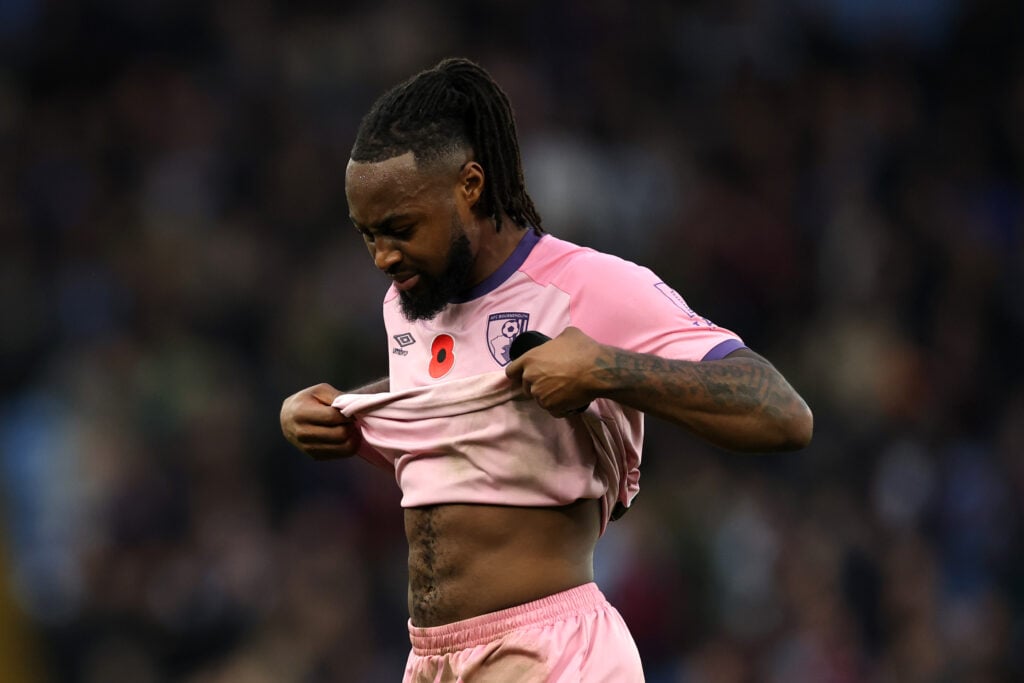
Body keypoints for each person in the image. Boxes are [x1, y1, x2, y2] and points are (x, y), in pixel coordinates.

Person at [280, 57, 813, 682]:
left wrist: (606, 369)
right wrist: (341, 412)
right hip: (433, 661)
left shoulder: (589, 286)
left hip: (553, 654)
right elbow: (463, 395)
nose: (382, 257)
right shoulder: (410, 298)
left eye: (399, 229)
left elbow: (782, 413)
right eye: (366, 235)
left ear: (471, 185)